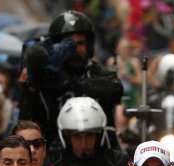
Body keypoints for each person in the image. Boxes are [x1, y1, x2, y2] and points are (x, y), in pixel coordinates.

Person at [20, 10, 124, 151]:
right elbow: (28, 121)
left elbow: (115, 91)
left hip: (98, 153)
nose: (75, 49)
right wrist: (28, 89)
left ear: (89, 46)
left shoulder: (98, 72)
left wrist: (71, 84)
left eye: (80, 43)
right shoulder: (46, 76)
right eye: (69, 44)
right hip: (55, 153)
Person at [44, 97, 139, 166]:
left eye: (89, 135)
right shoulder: (52, 163)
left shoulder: (117, 161)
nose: (84, 143)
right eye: (77, 136)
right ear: (67, 137)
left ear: (98, 136)